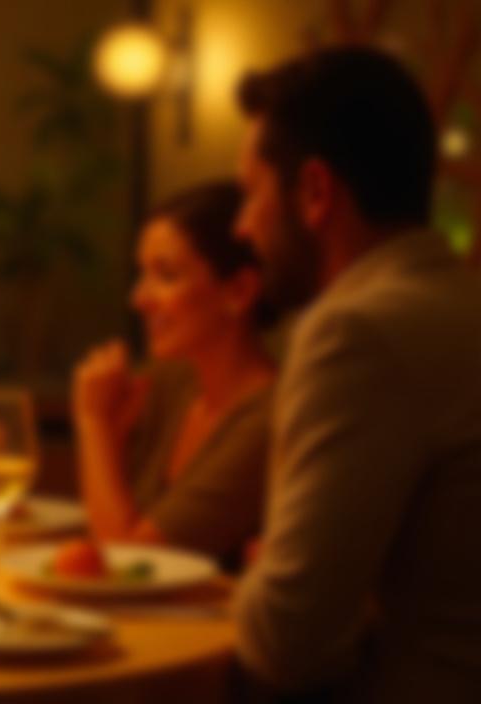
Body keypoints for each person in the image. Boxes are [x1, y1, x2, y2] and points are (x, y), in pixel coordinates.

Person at [231, 47, 481, 701]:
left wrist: (262, 577)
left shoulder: (357, 333)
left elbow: (286, 641)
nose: (242, 226)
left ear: (314, 192)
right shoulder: (457, 301)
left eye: (252, 193)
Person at [72, 180, 275, 567]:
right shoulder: (171, 383)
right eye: (141, 274)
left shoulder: (268, 418)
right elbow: (99, 536)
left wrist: (92, 422)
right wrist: (112, 438)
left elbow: (130, 561)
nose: (138, 298)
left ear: (240, 291)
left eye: (165, 276)